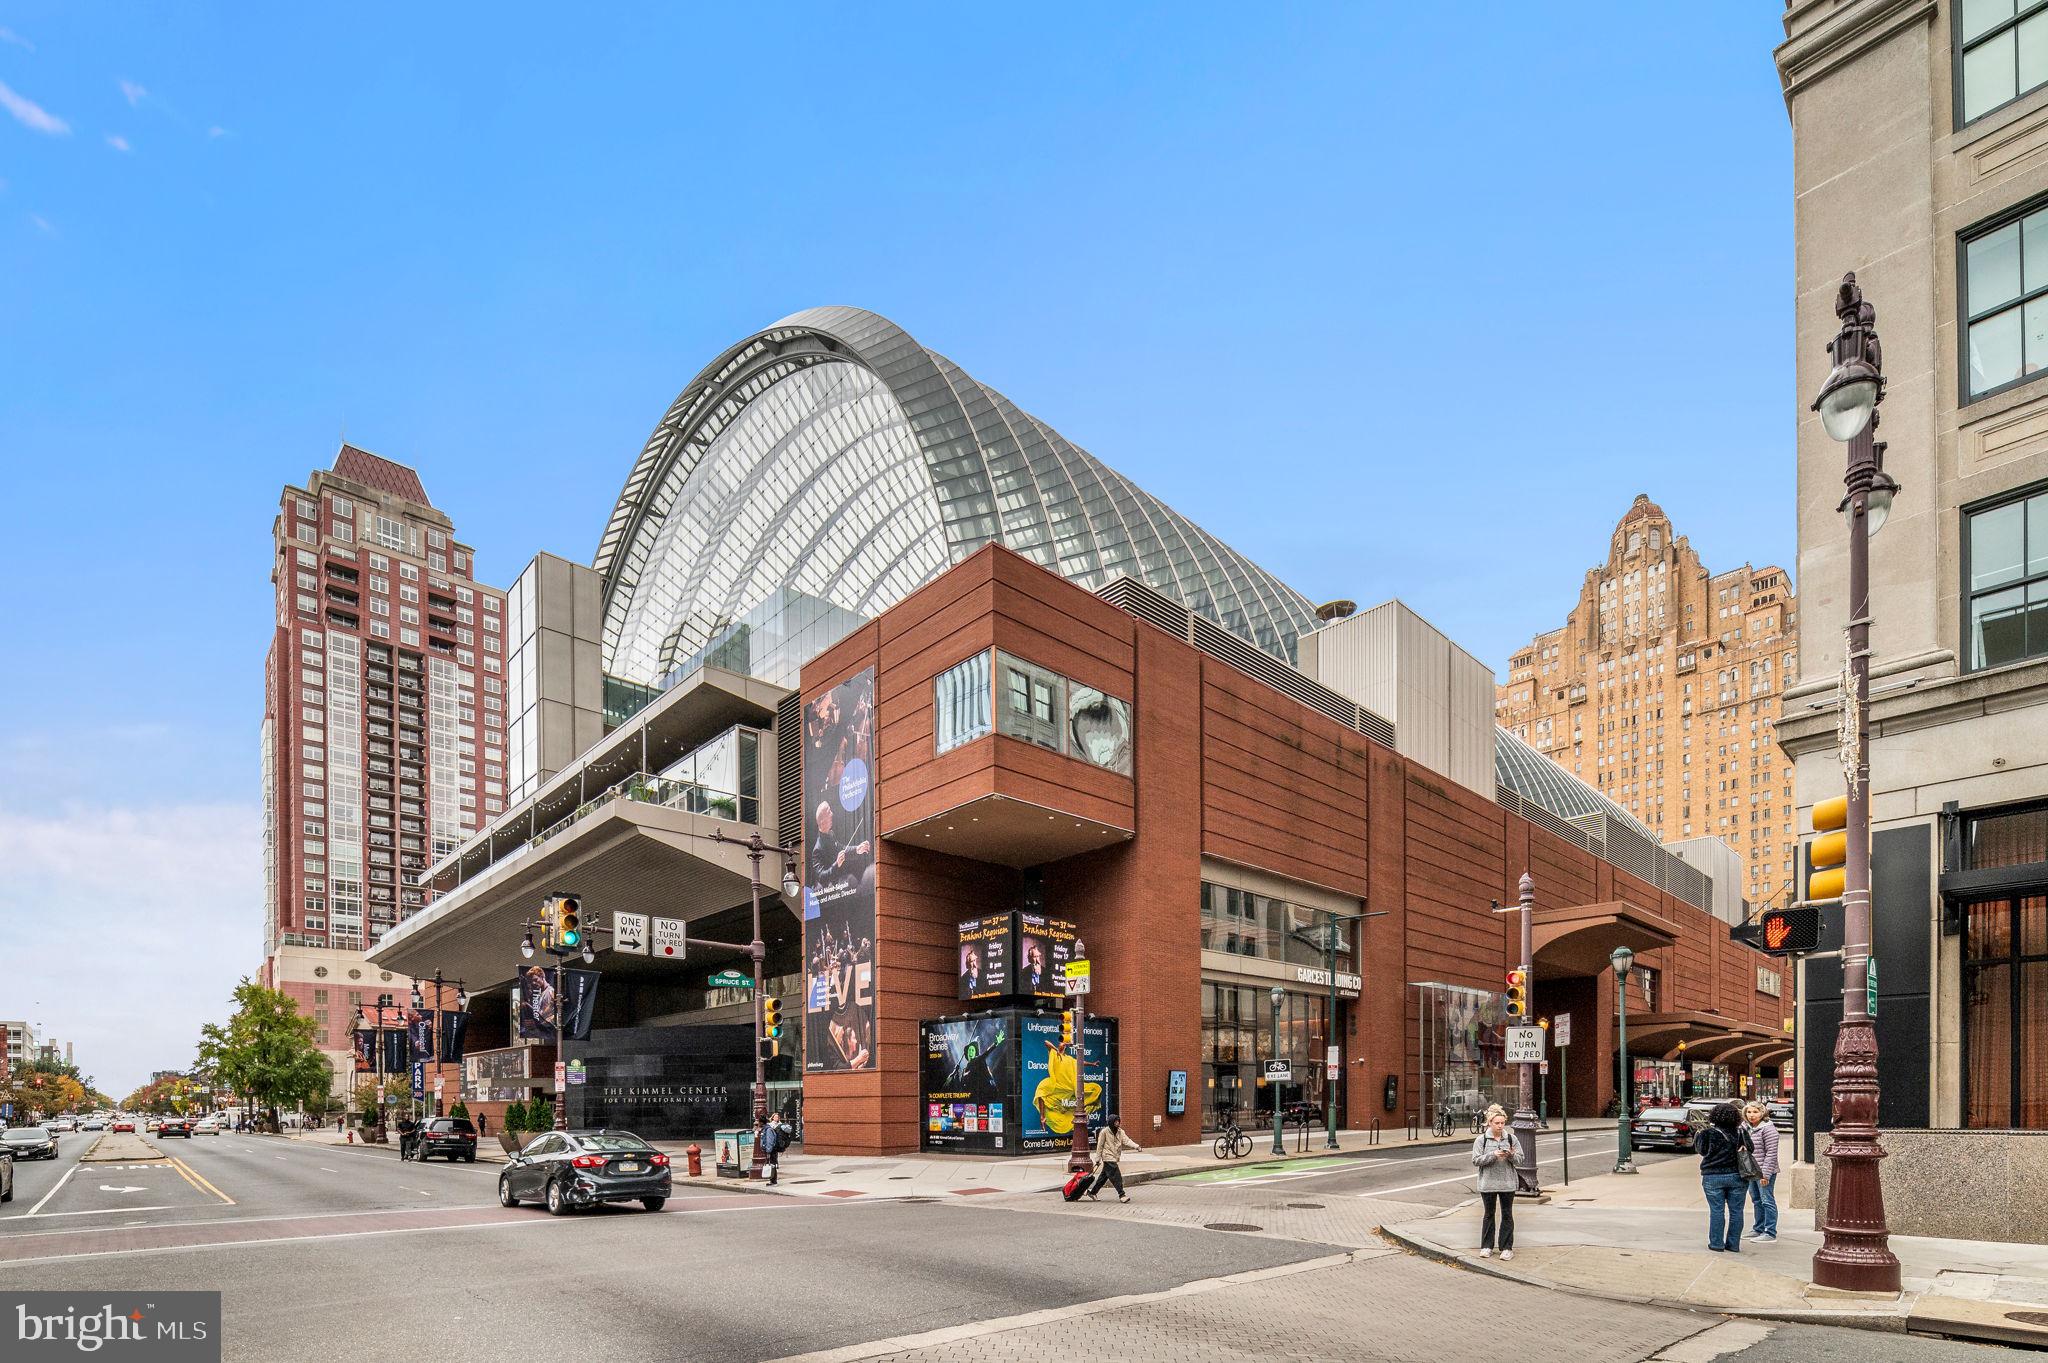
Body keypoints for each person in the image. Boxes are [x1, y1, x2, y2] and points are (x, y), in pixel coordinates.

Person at [1694, 1101, 1754, 1253]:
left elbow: (1702, 1151)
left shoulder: (1708, 1133)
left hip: (1713, 1176)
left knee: (1717, 1211)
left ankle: (1716, 1243)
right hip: (1738, 1176)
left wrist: (1698, 1135)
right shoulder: (1741, 1132)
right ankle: (1733, 1244)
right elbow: (1750, 1149)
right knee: (1736, 1211)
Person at [1471, 1106, 1519, 1259]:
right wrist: (1492, 1155)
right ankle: (1486, 1246)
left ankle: (1506, 1248)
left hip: (1507, 1183)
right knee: (1489, 1215)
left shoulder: (1511, 1139)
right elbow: (1476, 1160)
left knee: (1507, 1214)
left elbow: (1520, 1159)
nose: (1500, 1126)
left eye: (1503, 1123)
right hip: (1488, 1183)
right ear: (1489, 1123)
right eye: (1497, 1123)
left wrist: (1510, 1155)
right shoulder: (1481, 1140)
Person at [1744, 1101, 1780, 1242]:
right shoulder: (1747, 1128)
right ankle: (1758, 1228)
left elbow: (1771, 1154)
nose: (1752, 1115)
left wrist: (1765, 1174)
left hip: (1764, 1171)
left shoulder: (1768, 1129)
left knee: (1767, 1200)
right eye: (1749, 1112)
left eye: (1755, 1112)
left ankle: (1770, 1232)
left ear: (1762, 1113)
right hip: (1751, 1171)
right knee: (1757, 1200)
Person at [1086, 1114, 1139, 1202]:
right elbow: (1100, 1145)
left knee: (1103, 1177)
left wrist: (1136, 1146)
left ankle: (1092, 1192)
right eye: (1115, 1121)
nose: (1117, 1123)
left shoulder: (1120, 1132)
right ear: (1111, 1122)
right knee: (1116, 1176)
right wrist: (1097, 1158)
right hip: (1107, 1157)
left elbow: (1127, 1140)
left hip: (1114, 1157)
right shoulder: (1104, 1132)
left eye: (1118, 1121)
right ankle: (1122, 1195)